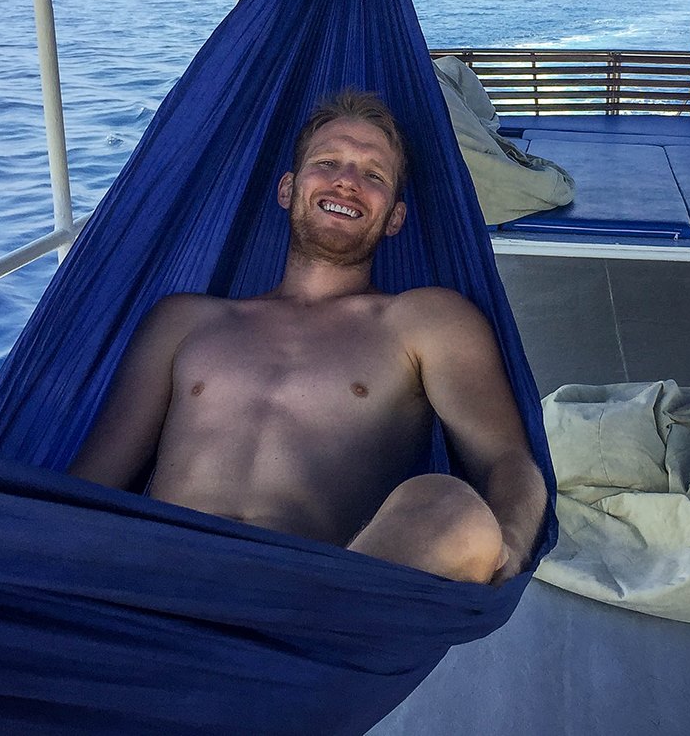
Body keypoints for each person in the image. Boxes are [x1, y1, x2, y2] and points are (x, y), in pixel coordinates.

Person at [69, 90, 547, 585]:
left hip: (310, 604)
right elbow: (93, 482)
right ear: (287, 189)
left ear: (395, 218)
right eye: (328, 162)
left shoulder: (425, 322)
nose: (347, 180)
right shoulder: (184, 321)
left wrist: (509, 544)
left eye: (373, 174)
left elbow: (508, 460)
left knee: (457, 513)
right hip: (156, 584)